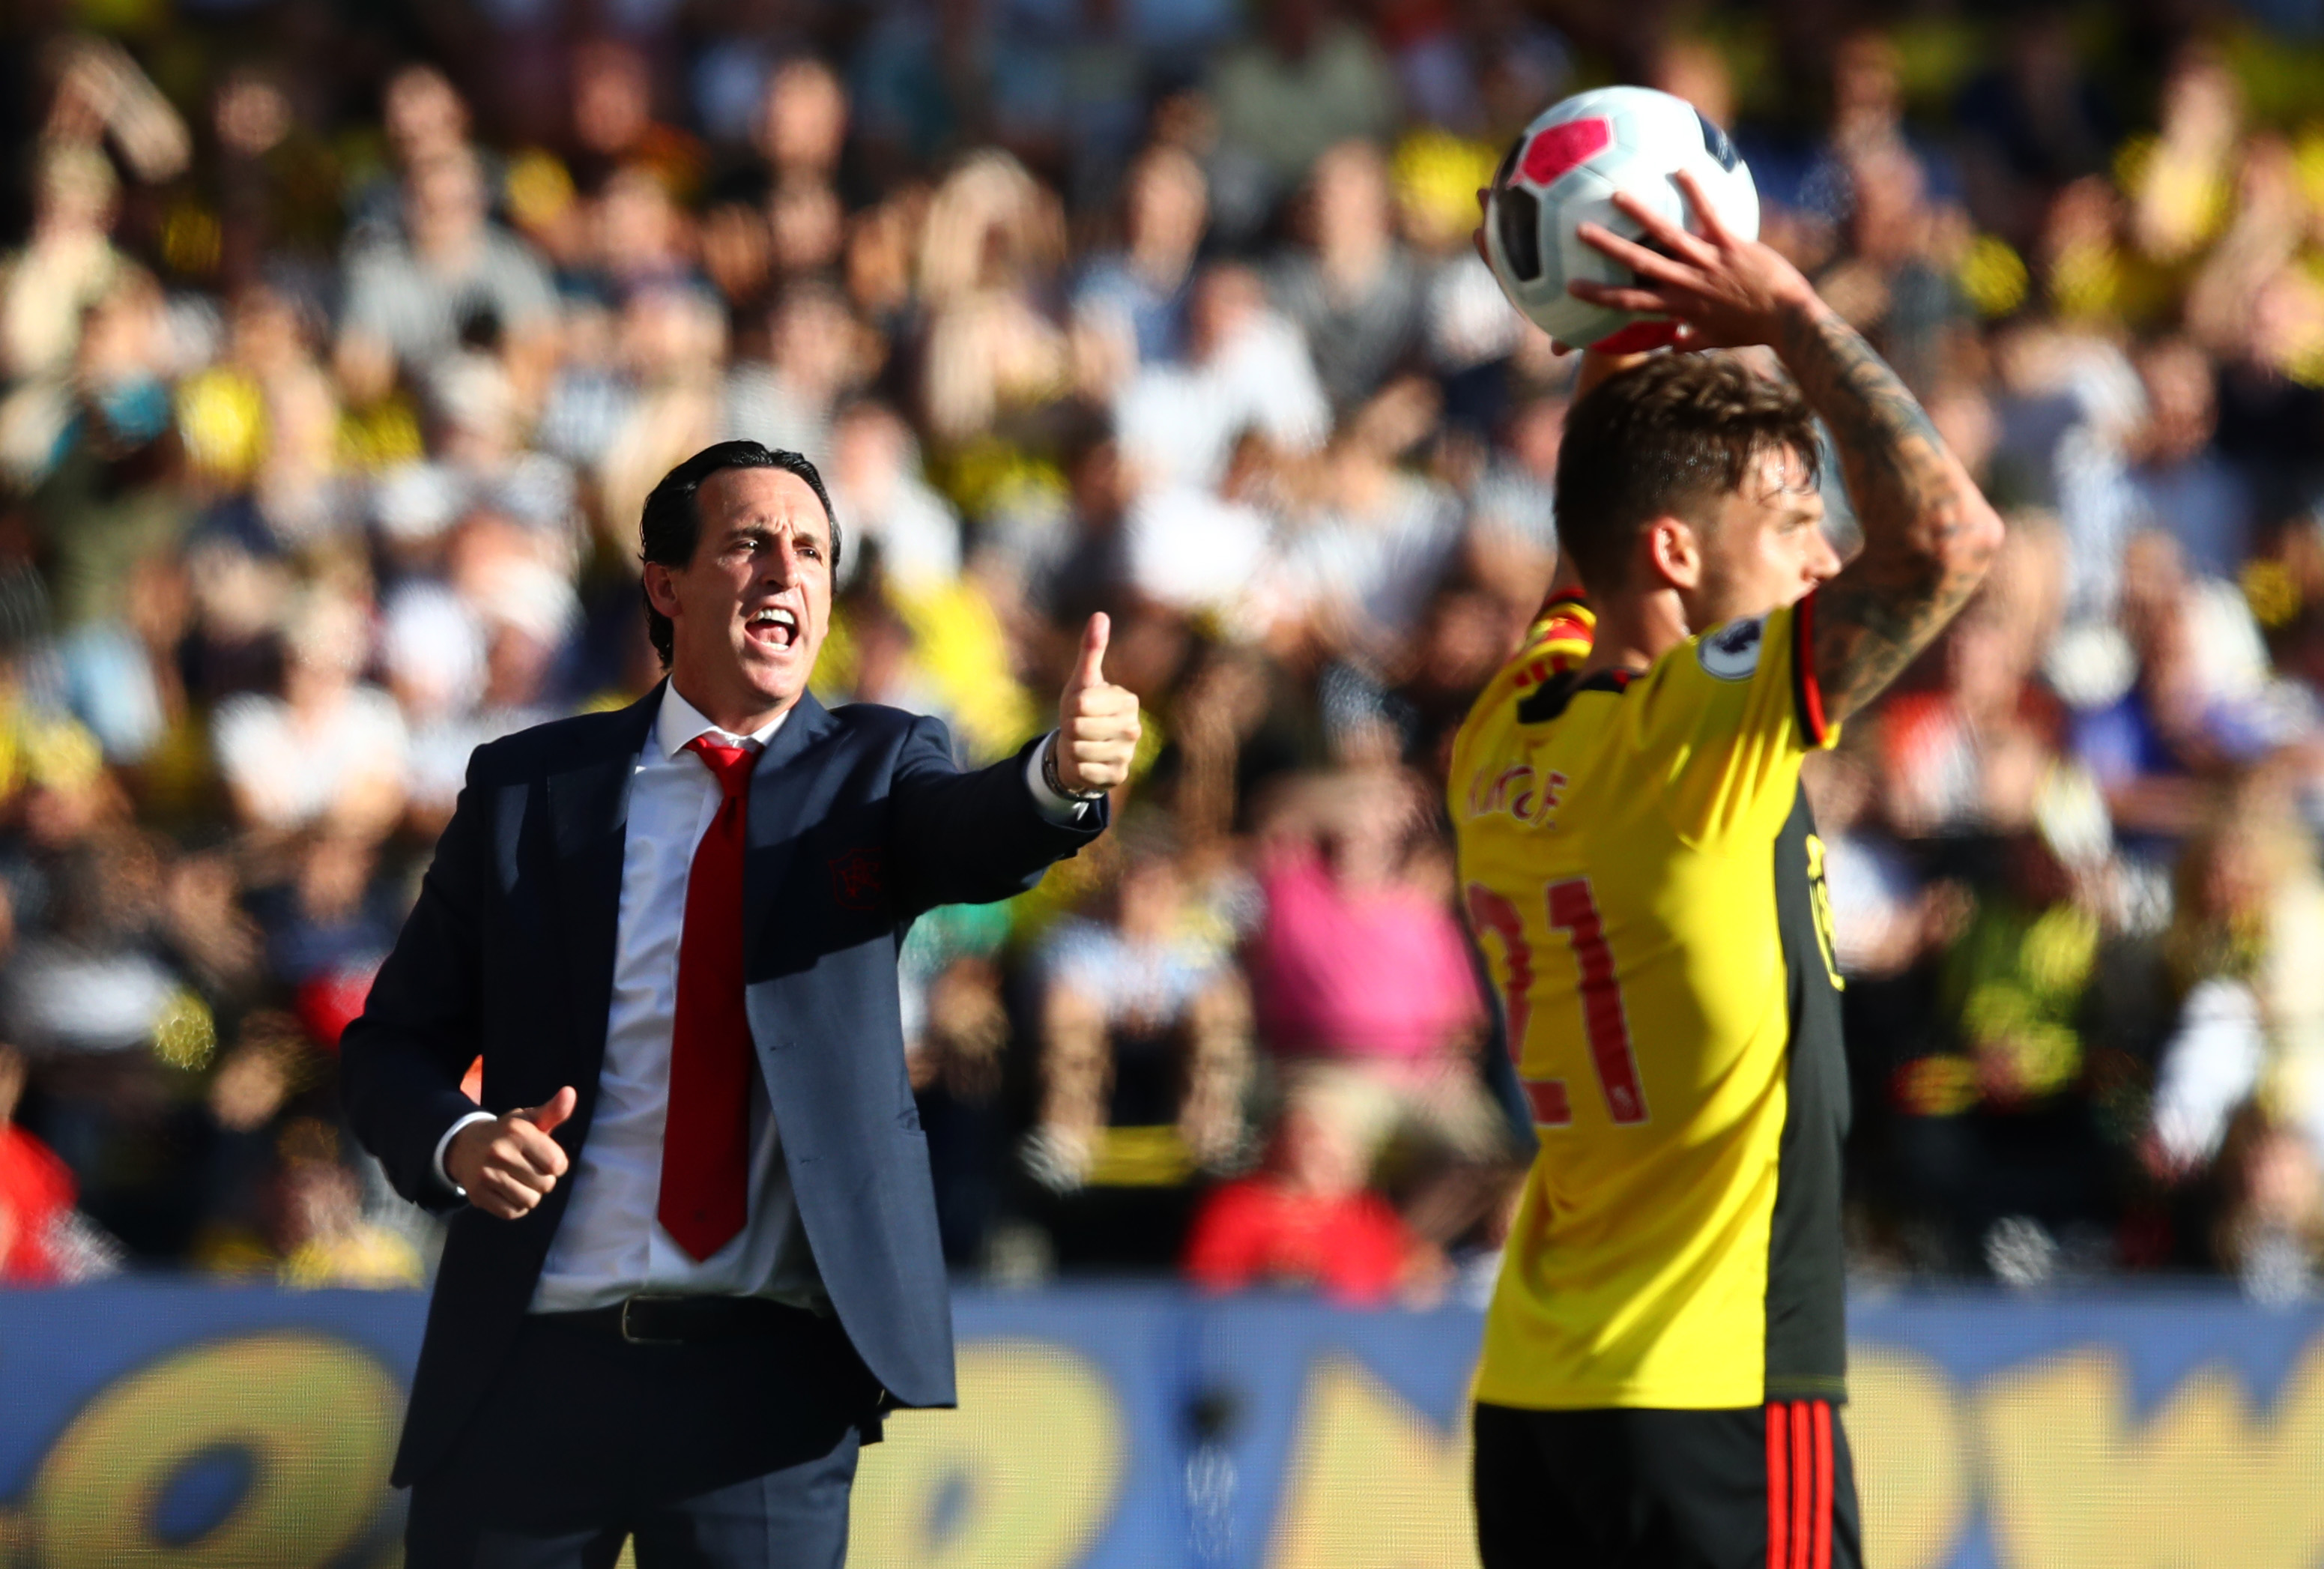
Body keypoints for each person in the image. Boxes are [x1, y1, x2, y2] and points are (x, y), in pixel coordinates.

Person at [340, 440, 1140, 1565]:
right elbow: (392, 1042)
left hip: (764, 1395)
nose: (785, 571)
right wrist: (459, 1137)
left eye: (810, 550)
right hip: (528, 1371)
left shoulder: (876, 764)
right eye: (749, 543)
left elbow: (971, 831)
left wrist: (1058, 775)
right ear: (665, 586)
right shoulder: (531, 788)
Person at [1451, 172, 2003, 1569]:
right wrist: (1784, 307)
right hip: (1716, 1387)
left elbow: (1607, 502)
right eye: (1794, 522)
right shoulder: (1696, 741)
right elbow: (1950, 542)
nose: (1824, 554)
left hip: (1541, 1385)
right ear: (1680, 554)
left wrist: (1606, 300)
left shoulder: (1503, 727)